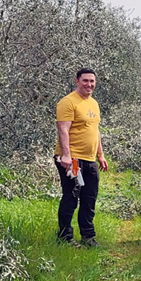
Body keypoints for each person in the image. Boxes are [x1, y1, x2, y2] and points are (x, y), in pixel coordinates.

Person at [54, 68, 108, 248]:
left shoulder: (93, 103)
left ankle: (88, 237)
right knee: (71, 196)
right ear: (77, 81)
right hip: (73, 159)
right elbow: (63, 130)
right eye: (85, 81)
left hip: (89, 159)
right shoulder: (68, 102)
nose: (89, 84)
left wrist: (100, 155)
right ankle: (65, 237)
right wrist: (67, 156)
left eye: (92, 81)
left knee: (89, 197)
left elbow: (95, 130)